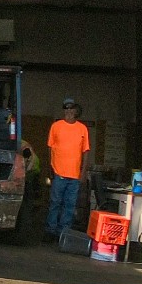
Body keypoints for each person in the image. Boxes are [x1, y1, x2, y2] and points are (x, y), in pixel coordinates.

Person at [45, 97, 90, 240]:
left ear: (76, 111)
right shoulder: (56, 126)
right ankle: (51, 231)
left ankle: (63, 233)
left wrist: (83, 173)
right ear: (63, 110)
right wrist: (50, 168)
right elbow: (50, 148)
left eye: (71, 109)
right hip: (58, 173)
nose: (69, 111)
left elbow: (86, 152)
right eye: (66, 109)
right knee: (55, 203)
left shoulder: (82, 128)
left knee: (70, 206)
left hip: (75, 176)